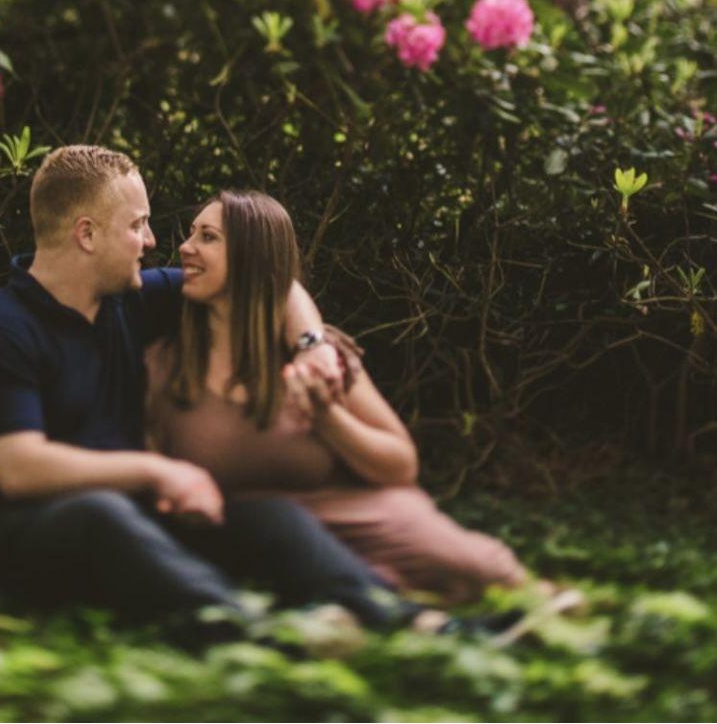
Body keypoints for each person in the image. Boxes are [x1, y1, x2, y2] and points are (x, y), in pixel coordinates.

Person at [0, 146, 470, 647]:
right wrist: (158, 472)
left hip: (129, 521)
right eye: (136, 225)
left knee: (269, 516)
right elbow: (20, 467)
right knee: (100, 513)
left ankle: (414, 623)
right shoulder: (4, 330)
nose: (150, 241)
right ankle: (262, 640)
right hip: (15, 538)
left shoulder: (127, 302)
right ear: (86, 234)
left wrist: (310, 347)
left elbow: (270, 284)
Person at [146, 189, 532, 606]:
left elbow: (400, 465)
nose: (185, 248)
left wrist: (326, 415)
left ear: (251, 257)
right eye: (191, 234)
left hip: (353, 513)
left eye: (208, 237)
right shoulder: (162, 365)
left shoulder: (319, 357)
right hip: (249, 530)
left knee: (481, 571)